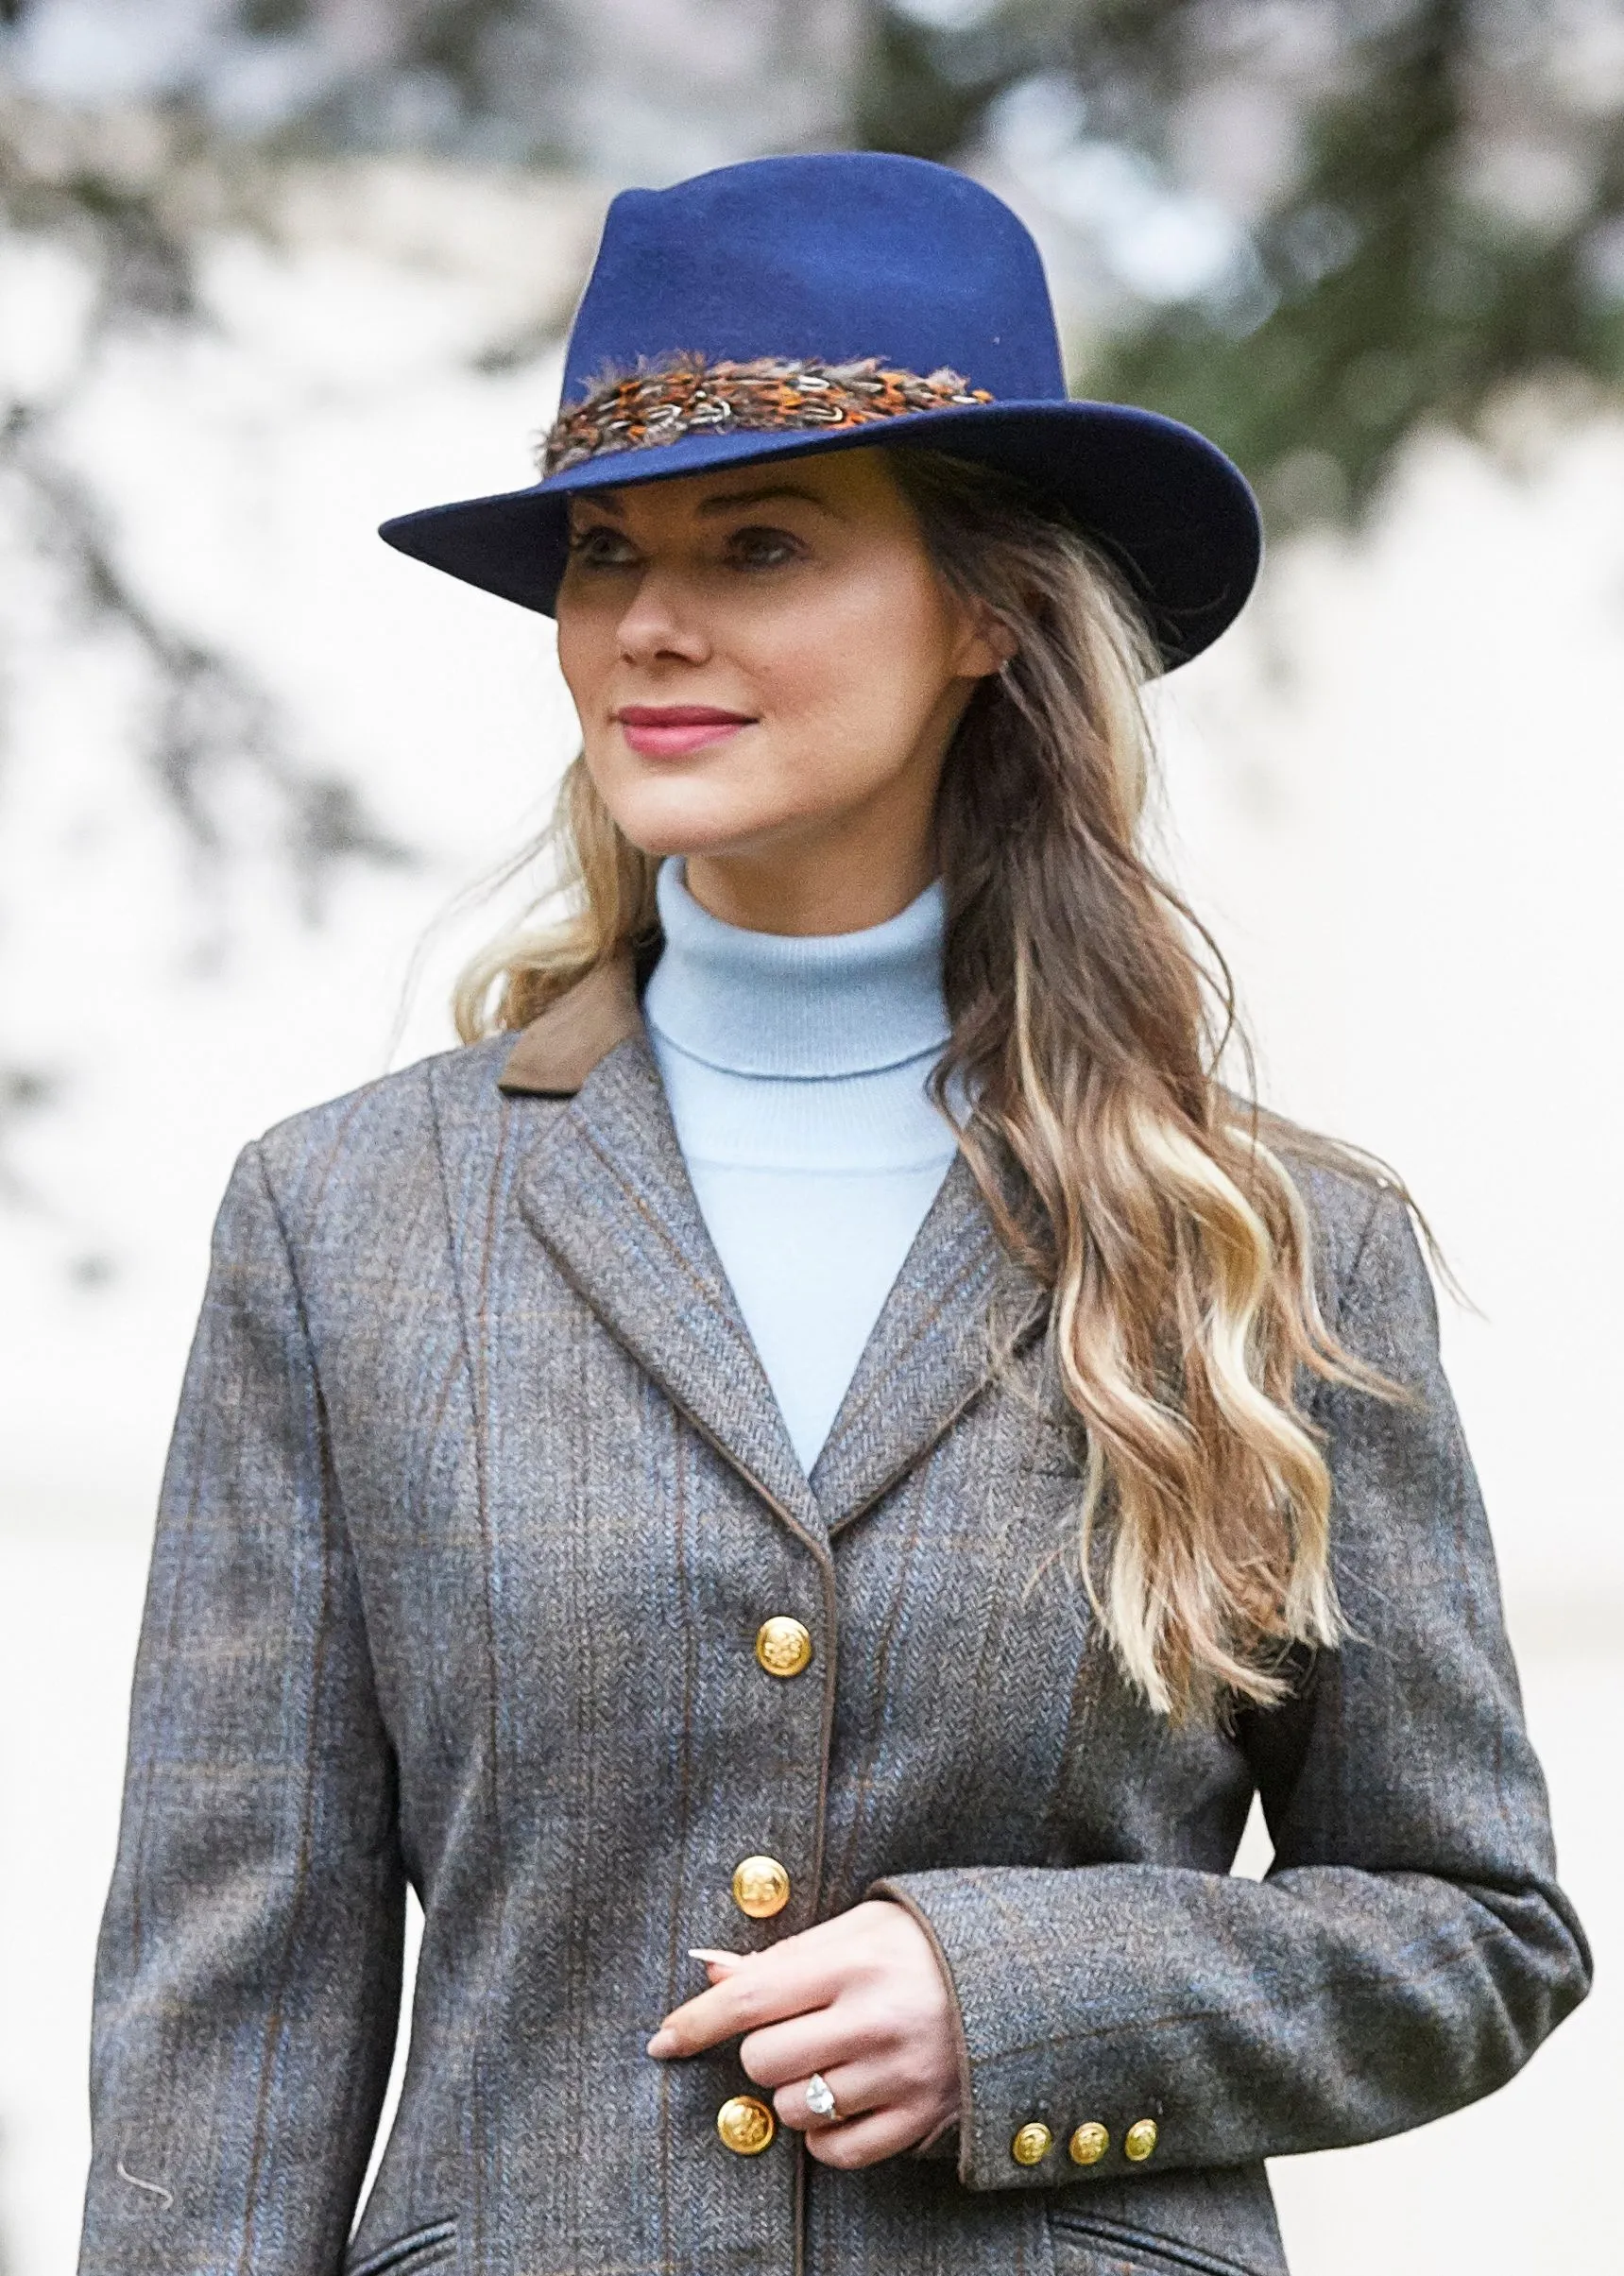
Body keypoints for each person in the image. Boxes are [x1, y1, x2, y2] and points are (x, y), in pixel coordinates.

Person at [78, 153, 1587, 2276]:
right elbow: (227, 2012)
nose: (648, 626)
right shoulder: (349, 1225)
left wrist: (1025, 2001)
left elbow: (1474, 1929)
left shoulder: (1264, 1240)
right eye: (608, 553)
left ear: (984, 610)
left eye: (761, 543)